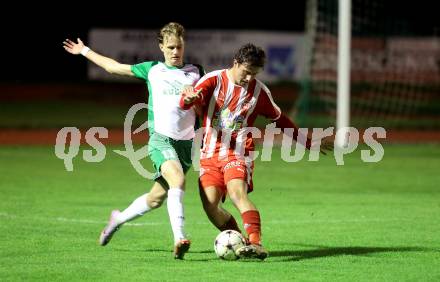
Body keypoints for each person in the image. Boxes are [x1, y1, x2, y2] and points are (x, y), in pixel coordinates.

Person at [63, 22, 205, 259]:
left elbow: (207, 103)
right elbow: (113, 67)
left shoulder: (196, 71)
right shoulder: (152, 69)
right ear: (161, 47)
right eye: (170, 47)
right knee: (178, 181)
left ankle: (117, 219)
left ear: (184, 45)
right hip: (161, 140)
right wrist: (85, 51)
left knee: (156, 198)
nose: (175, 52)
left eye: (179, 46)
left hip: (186, 145)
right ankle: (180, 237)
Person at [180, 43, 333, 260]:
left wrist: (307, 143)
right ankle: (241, 242)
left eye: (254, 74)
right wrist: (187, 99)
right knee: (210, 205)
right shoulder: (213, 81)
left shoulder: (259, 92)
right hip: (209, 155)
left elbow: (281, 120)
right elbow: (188, 100)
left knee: (236, 193)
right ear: (236, 63)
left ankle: (256, 244)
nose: (250, 78)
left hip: (239, 153)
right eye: (246, 72)